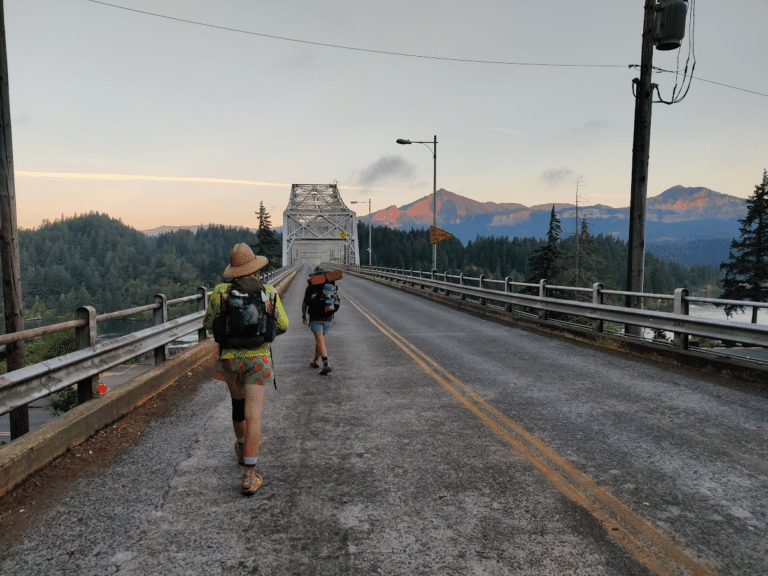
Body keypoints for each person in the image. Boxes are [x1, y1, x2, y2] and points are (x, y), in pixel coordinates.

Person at [202, 243, 288, 495]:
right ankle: (249, 476)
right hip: (258, 360)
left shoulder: (220, 291)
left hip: (230, 359)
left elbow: (208, 324)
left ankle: (241, 448)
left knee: (237, 407)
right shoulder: (268, 291)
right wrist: (262, 329)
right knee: (254, 415)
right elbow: (283, 325)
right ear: (255, 268)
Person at [302, 267, 339, 376]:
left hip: (316, 318)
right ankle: (314, 361)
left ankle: (326, 365)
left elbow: (305, 304)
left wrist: (304, 315)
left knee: (320, 341)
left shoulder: (310, 287)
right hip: (328, 318)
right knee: (320, 340)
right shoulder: (330, 286)